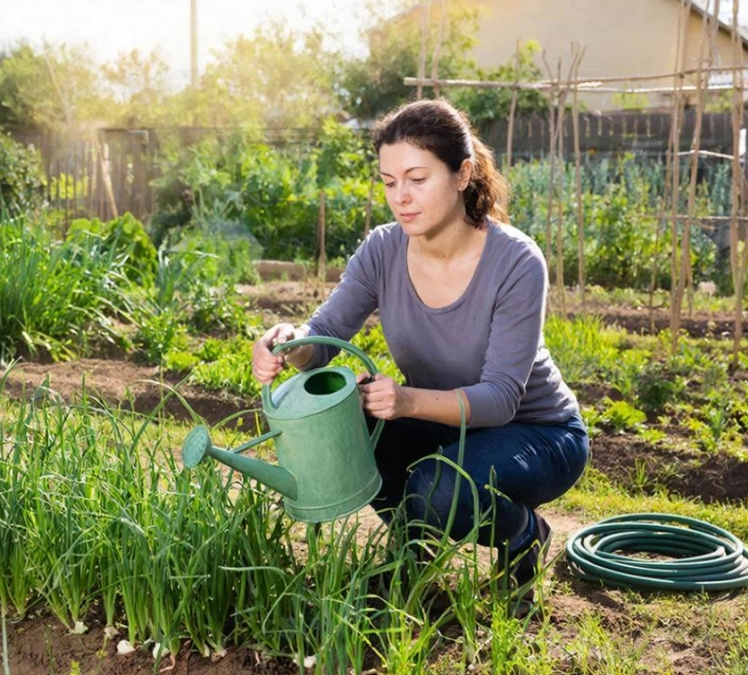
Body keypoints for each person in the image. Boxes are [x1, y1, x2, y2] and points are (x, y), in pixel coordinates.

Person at [250, 98, 590, 608]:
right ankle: (412, 555)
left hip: (538, 434)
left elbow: (500, 399)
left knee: (436, 490)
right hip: (447, 423)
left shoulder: (516, 261)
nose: (400, 198)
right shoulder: (382, 250)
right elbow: (322, 340)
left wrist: (405, 401)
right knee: (353, 425)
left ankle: (523, 537)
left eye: (417, 178)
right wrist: (289, 344)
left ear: (462, 174)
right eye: (388, 182)